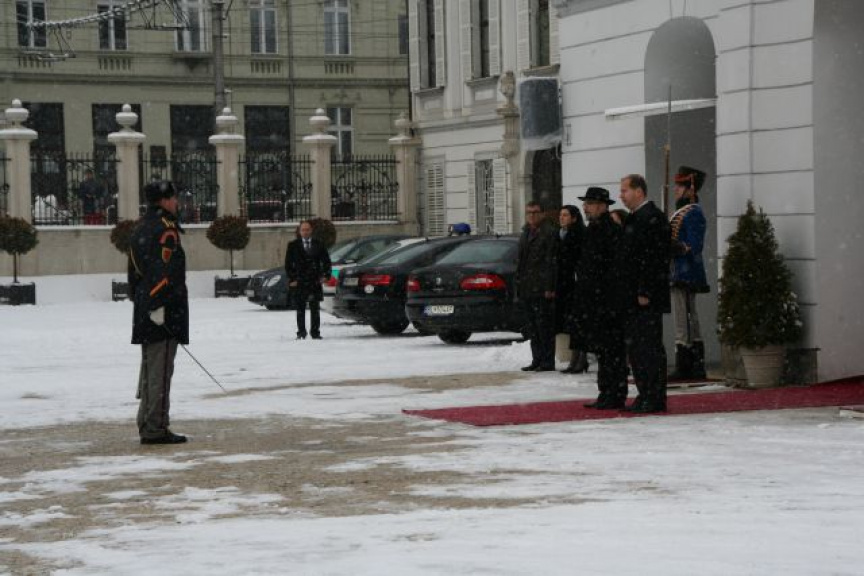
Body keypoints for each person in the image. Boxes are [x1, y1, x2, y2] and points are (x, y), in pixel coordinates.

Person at [128, 180, 189, 444]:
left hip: (146, 306)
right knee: (160, 373)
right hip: (163, 309)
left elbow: (134, 273)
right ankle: (155, 427)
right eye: (174, 198)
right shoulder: (165, 229)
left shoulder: (141, 226)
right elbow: (164, 272)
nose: (177, 202)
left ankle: (147, 422)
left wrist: (142, 302)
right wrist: (158, 304)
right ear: (164, 200)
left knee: (150, 369)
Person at [616, 174, 671, 413]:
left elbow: (655, 258)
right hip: (631, 295)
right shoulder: (635, 217)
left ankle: (654, 396)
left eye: (625, 190)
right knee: (636, 349)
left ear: (639, 191)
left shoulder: (652, 217)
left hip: (646, 296)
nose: (621, 195)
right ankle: (644, 392)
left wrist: (645, 289)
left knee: (649, 347)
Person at [571, 188, 628, 408]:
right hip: (594, 299)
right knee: (603, 350)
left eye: (590, 204)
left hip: (607, 300)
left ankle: (615, 393)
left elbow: (613, 268)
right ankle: (606, 391)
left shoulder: (610, 231)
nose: (586, 208)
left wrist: (605, 294)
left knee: (612, 348)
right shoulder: (592, 230)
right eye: (585, 203)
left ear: (602, 206)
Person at [668, 166, 710, 380]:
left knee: (685, 319)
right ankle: (693, 364)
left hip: (686, 272)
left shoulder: (693, 212)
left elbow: (694, 245)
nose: (676, 189)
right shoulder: (682, 211)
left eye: (680, 186)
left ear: (690, 189)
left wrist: (674, 246)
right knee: (686, 317)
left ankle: (687, 364)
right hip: (679, 271)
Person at [516, 200, 558, 372]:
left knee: (544, 326)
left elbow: (551, 261)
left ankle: (547, 361)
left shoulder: (549, 232)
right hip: (527, 286)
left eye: (535, 212)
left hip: (541, 287)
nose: (532, 216)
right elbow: (521, 261)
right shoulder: (526, 232)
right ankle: (537, 359)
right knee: (532, 327)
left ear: (543, 214)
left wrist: (550, 287)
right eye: (529, 212)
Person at [285, 221, 331, 339]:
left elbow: (326, 261)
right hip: (299, 281)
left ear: (311, 230)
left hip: (314, 281)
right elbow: (288, 264)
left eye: (307, 229)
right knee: (300, 308)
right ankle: (301, 333)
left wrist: (326, 275)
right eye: (303, 230)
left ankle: (315, 333)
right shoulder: (293, 245)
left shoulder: (319, 244)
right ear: (299, 231)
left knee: (315, 308)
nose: (305, 232)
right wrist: (292, 279)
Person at [556, 205, 588, 374]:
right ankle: (576, 359)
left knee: (579, 324)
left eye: (565, 215)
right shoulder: (561, 234)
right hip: (567, 285)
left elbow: (576, 260)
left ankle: (580, 359)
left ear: (574, 218)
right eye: (560, 215)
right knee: (573, 324)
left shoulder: (578, 234)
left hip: (577, 284)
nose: (561, 218)